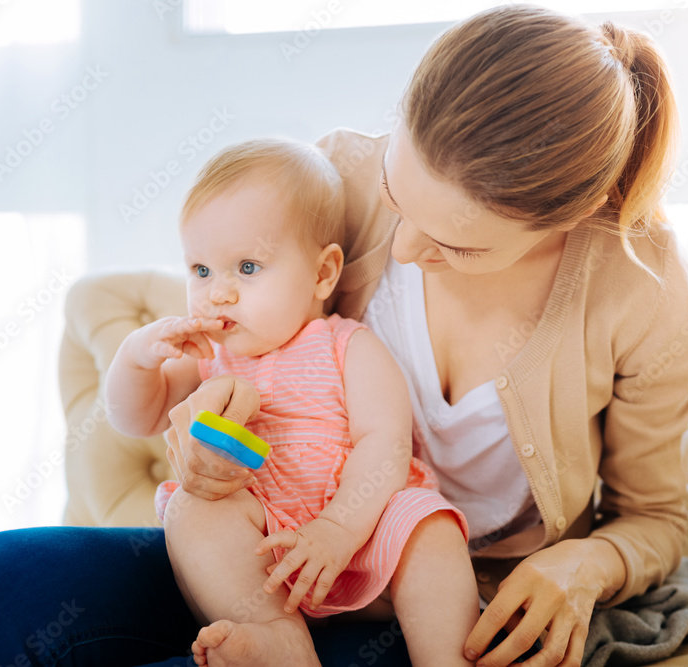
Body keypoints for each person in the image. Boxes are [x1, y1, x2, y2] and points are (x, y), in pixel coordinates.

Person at [0, 5, 688, 667]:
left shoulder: (641, 287)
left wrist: (585, 563)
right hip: (275, 553)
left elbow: (655, 519)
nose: (405, 251)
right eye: (397, 198)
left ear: (568, 218)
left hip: (441, 591)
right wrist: (204, 440)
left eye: (457, 246)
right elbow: (239, 343)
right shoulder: (337, 174)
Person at [102, 137, 478, 666]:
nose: (218, 293)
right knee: (194, 511)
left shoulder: (347, 344)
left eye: (248, 268)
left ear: (323, 274)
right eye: (201, 271)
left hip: (367, 541)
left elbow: (386, 442)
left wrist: (338, 530)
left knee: (429, 526)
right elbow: (134, 418)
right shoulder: (206, 356)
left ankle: (445, 657)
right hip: (265, 551)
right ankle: (278, 635)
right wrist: (135, 360)